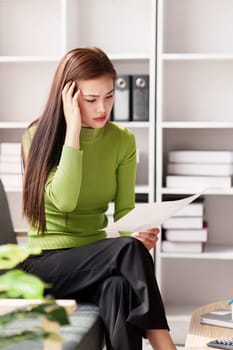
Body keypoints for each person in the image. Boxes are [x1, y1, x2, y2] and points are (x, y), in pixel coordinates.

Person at [20, 47, 176, 350]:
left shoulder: (122, 140)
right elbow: (63, 201)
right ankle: (162, 340)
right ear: (67, 97)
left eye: (109, 96)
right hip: (43, 266)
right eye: (91, 100)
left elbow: (124, 212)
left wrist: (137, 234)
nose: (102, 108)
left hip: (96, 260)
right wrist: (74, 132)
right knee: (126, 252)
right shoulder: (37, 136)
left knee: (119, 286)